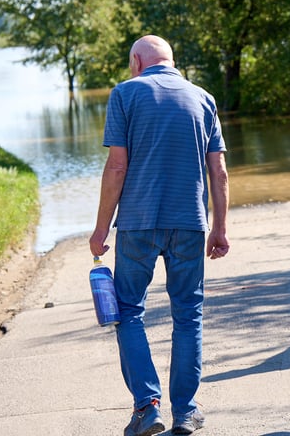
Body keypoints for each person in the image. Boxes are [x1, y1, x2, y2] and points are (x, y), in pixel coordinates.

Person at [89, 35, 230, 436]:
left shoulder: (125, 94)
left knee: (130, 311)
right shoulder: (203, 98)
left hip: (137, 223)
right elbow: (218, 171)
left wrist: (101, 228)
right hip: (189, 223)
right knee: (189, 315)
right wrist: (219, 227)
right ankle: (185, 412)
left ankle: (147, 407)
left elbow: (117, 167)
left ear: (137, 61)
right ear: (171, 61)